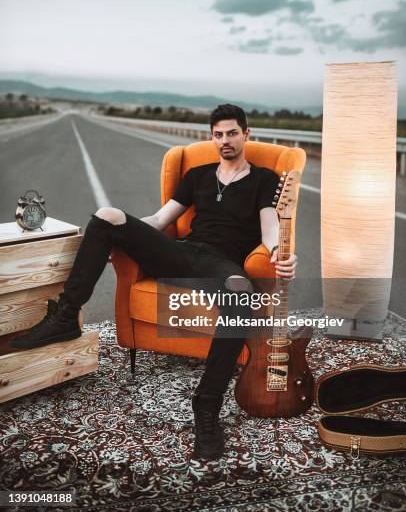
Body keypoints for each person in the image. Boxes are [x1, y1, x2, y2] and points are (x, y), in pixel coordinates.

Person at [11, 104, 297, 460]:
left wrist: (279, 254)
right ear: (212, 137)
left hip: (222, 266)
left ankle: (206, 406)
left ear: (246, 135)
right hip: (179, 253)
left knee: (241, 296)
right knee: (107, 215)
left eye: (232, 133)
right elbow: (162, 219)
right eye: (218, 134)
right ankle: (66, 317)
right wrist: (122, 230)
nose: (225, 140)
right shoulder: (198, 175)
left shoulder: (265, 179)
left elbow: (270, 230)